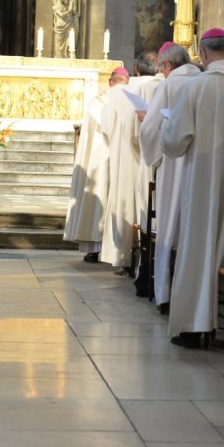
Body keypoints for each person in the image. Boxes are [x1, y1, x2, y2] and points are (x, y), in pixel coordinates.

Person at [162, 29, 224, 348]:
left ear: (202, 55)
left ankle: (194, 326)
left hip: (204, 185)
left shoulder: (195, 88)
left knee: (200, 247)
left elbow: (175, 143)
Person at [138, 43, 201, 311]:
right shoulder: (203, 81)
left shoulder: (168, 86)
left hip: (173, 163)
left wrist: (145, 126)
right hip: (201, 164)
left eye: (162, 68)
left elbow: (151, 130)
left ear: (167, 66)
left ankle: (165, 293)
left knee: (168, 228)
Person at [101, 53, 161, 275]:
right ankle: (149, 262)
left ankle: (126, 257)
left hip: (130, 158)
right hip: (156, 160)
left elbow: (110, 128)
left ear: (136, 69)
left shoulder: (123, 92)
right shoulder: (164, 87)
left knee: (128, 207)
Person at [64, 69, 125, 261]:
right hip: (102, 158)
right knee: (100, 197)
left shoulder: (98, 102)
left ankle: (100, 249)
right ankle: (98, 247)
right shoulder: (101, 104)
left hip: (105, 157)